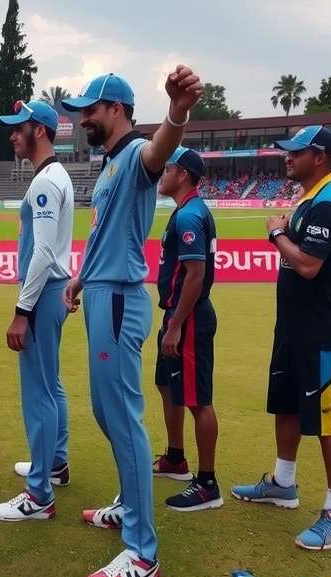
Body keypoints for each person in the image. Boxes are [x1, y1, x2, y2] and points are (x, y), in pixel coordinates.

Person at [61, 67, 202, 577]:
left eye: (89, 111)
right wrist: (79, 279)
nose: (82, 119)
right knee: (106, 410)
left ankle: (142, 553)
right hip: (101, 292)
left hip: (119, 299)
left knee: (122, 416)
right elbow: (105, 235)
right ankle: (128, 504)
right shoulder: (109, 166)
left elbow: (162, 146)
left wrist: (177, 111)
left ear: (115, 110)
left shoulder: (138, 155)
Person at [232, 126, 331, 551]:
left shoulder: (328, 203)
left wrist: (276, 234)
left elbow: (307, 266)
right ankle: (284, 484)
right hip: (292, 330)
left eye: (295, 152)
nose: (287, 157)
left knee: (324, 419)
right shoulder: (307, 198)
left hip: (320, 334)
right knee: (284, 404)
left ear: (318, 156)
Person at [0, 100, 74, 521]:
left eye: (17, 128)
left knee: (38, 394)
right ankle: (54, 464)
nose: (11, 135)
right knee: (51, 385)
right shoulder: (54, 176)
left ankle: (39, 493)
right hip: (52, 290)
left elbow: (42, 251)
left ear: (39, 130)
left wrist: (22, 309)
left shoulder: (45, 182)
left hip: (41, 295)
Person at [153, 147, 222, 512]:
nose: (161, 174)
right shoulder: (186, 211)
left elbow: (195, 276)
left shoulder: (190, 215)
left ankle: (207, 483)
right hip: (176, 316)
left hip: (188, 318)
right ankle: (176, 458)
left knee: (198, 400)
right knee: (166, 385)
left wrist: (176, 326)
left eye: (167, 168)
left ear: (182, 174)